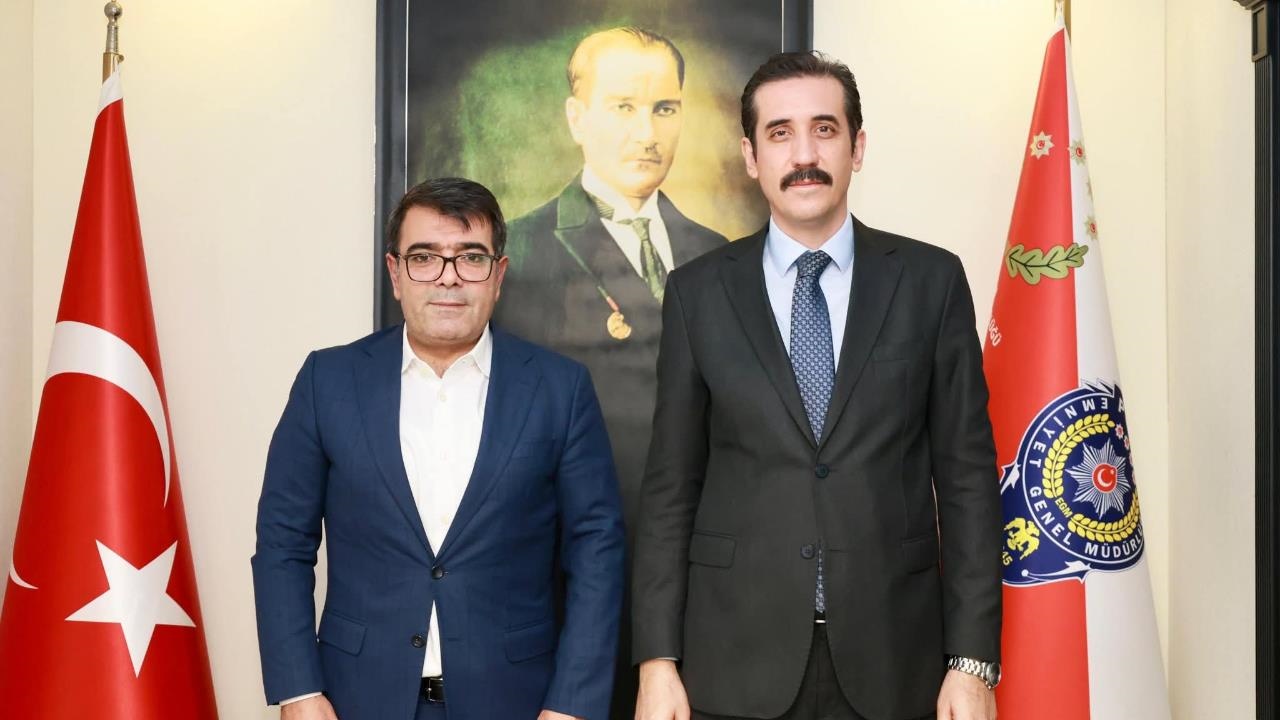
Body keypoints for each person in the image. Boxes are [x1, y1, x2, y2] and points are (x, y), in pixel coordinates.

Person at [631, 52, 1003, 720]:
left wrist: (971, 663)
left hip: (897, 663)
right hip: (733, 664)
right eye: (780, 133)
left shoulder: (931, 282)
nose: (804, 154)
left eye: (824, 129)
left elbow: (968, 483)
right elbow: (670, 490)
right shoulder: (697, 294)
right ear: (751, 157)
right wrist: (657, 662)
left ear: (857, 147)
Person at [252, 178, 625, 720]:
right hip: (355, 700)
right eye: (424, 258)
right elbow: (283, 543)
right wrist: (299, 692)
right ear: (395, 273)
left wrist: (573, 704)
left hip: (517, 702)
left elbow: (597, 550)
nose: (448, 277)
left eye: (471, 258)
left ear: (498, 275)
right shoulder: (327, 381)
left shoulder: (559, 389)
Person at [494, 26, 725, 719]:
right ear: (577, 118)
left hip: (701, 590)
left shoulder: (720, 256)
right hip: (563, 587)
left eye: (664, 108)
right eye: (623, 107)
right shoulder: (517, 255)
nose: (646, 132)